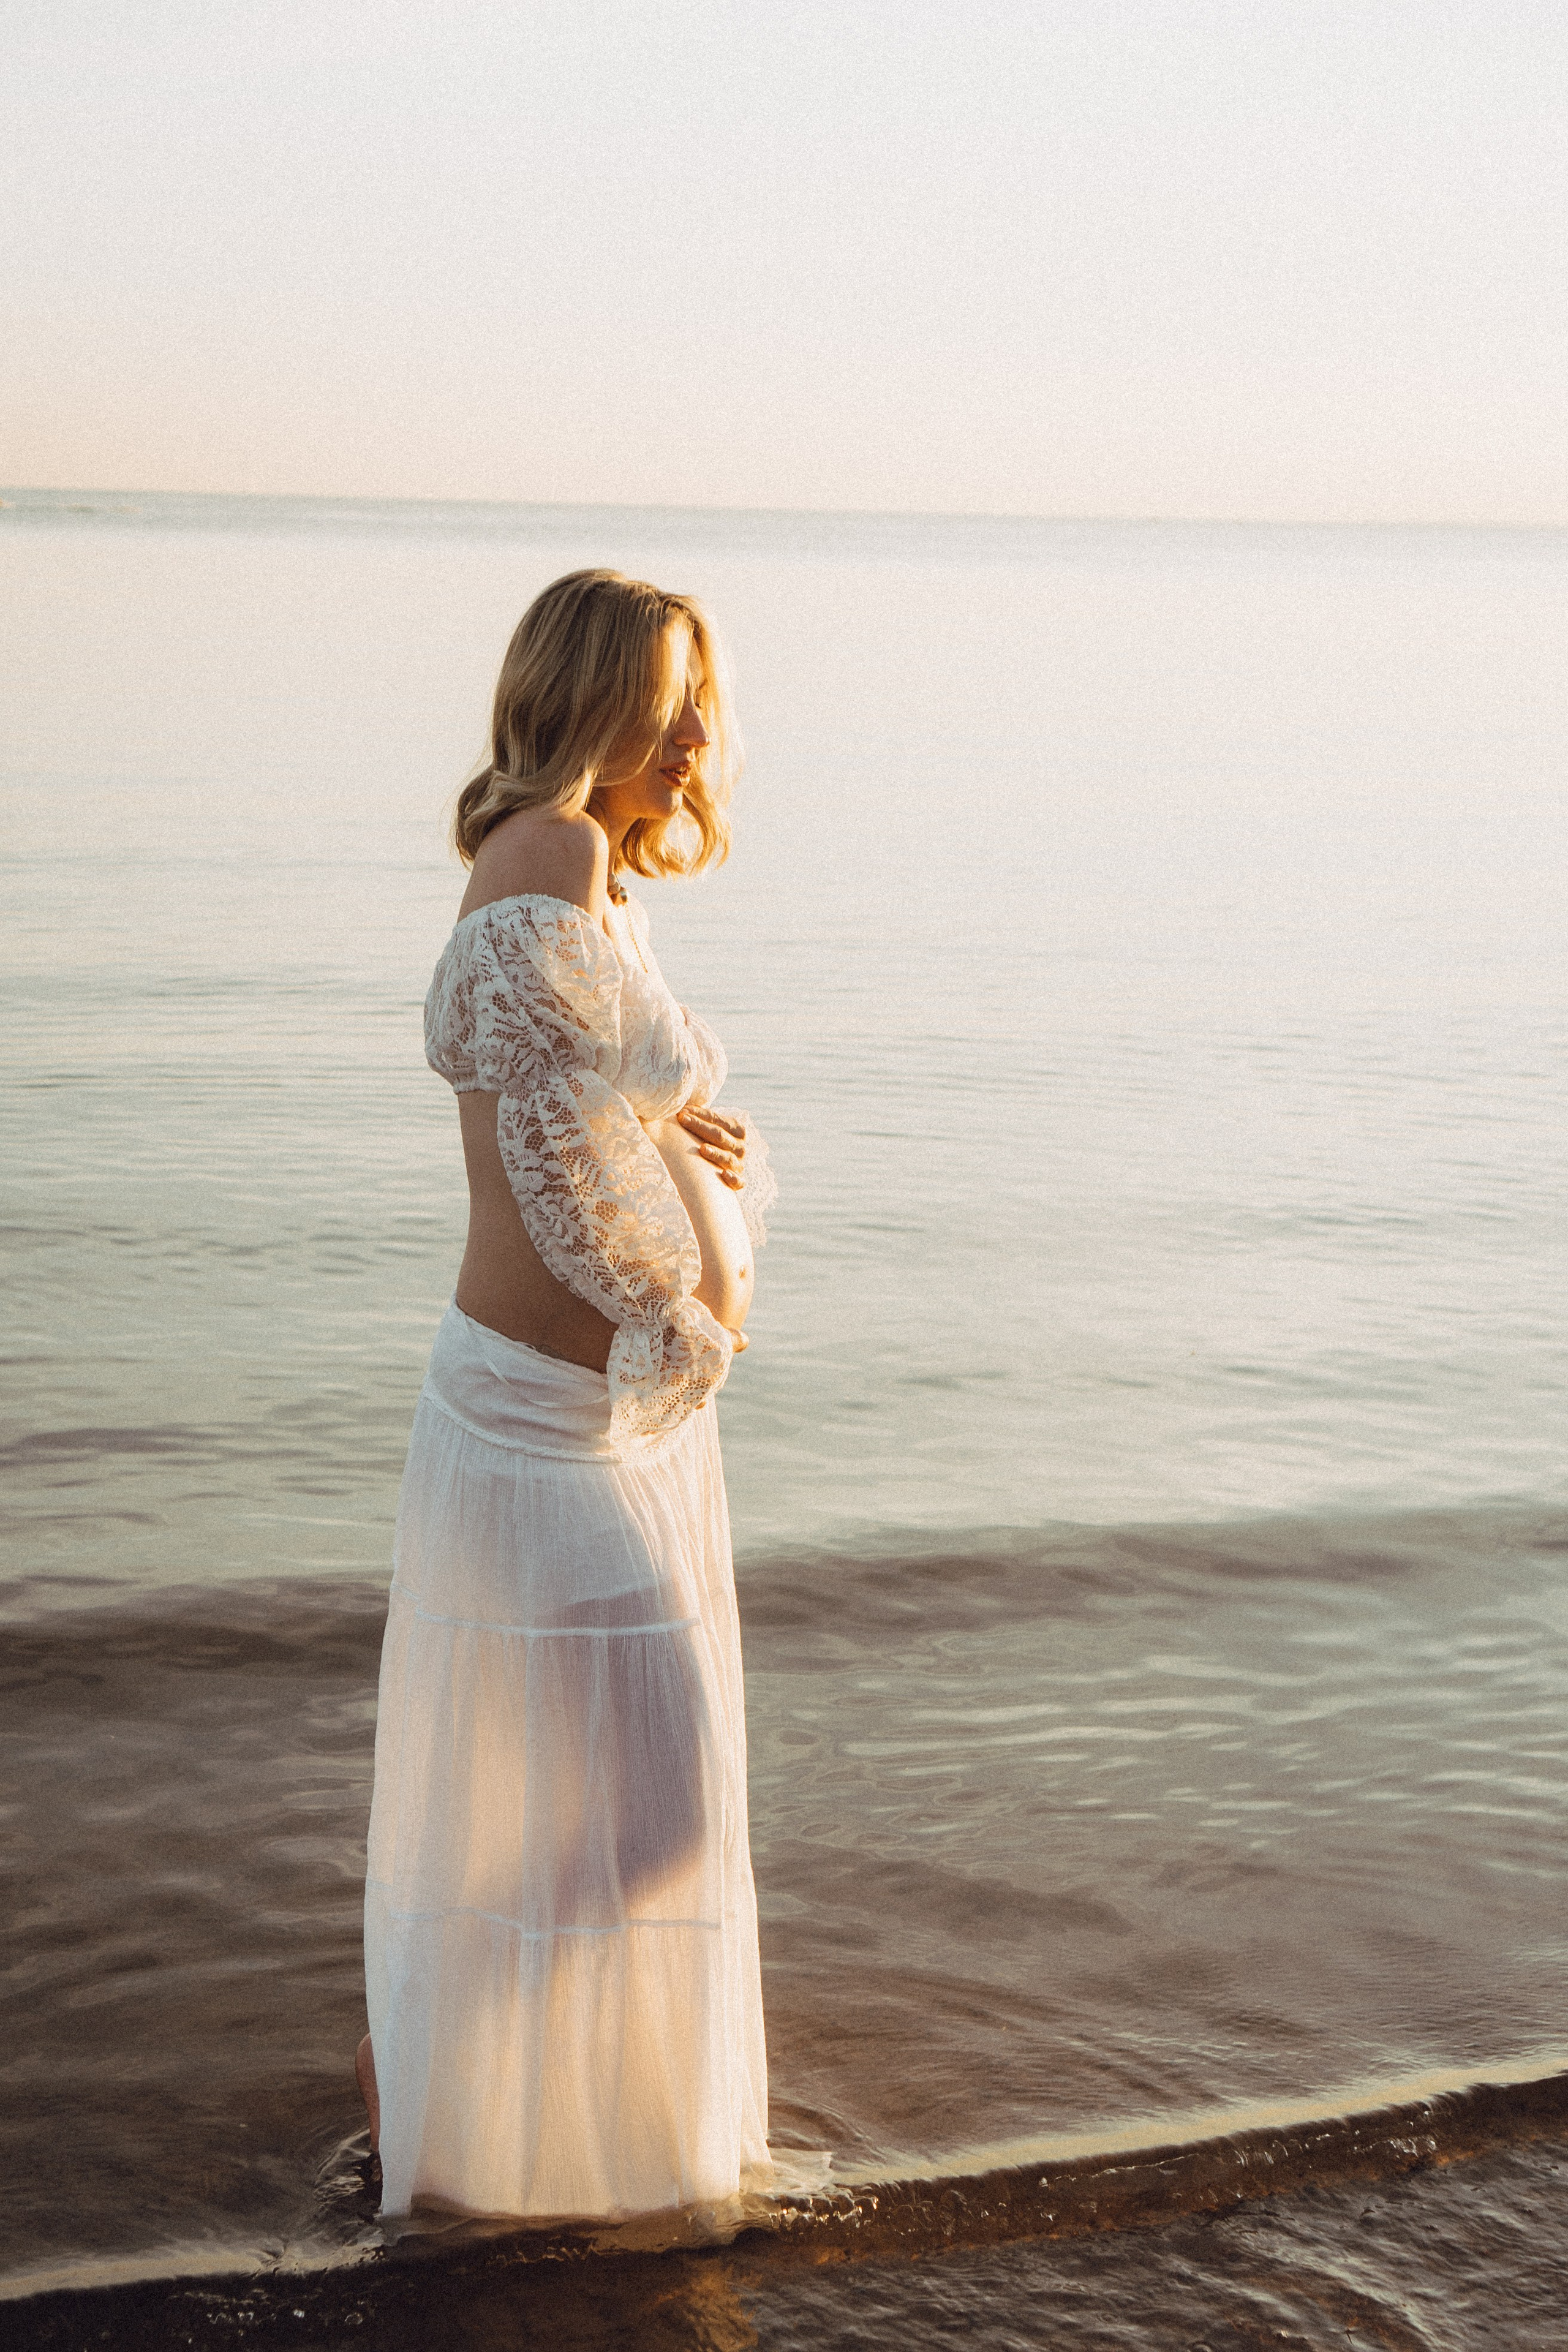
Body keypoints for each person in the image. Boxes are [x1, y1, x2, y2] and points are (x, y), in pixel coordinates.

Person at [358, 570, 776, 2220]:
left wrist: (685, 1151)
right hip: (545, 1422)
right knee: (656, 1810)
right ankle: (447, 2076)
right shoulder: (549, 855)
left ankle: (470, 2125)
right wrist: (686, 1321)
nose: (695, 736)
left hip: (567, 1414)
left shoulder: (576, 873)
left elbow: (586, 1117)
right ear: (588, 693)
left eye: (701, 705)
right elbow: (551, 1184)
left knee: (591, 1802)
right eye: (667, 701)